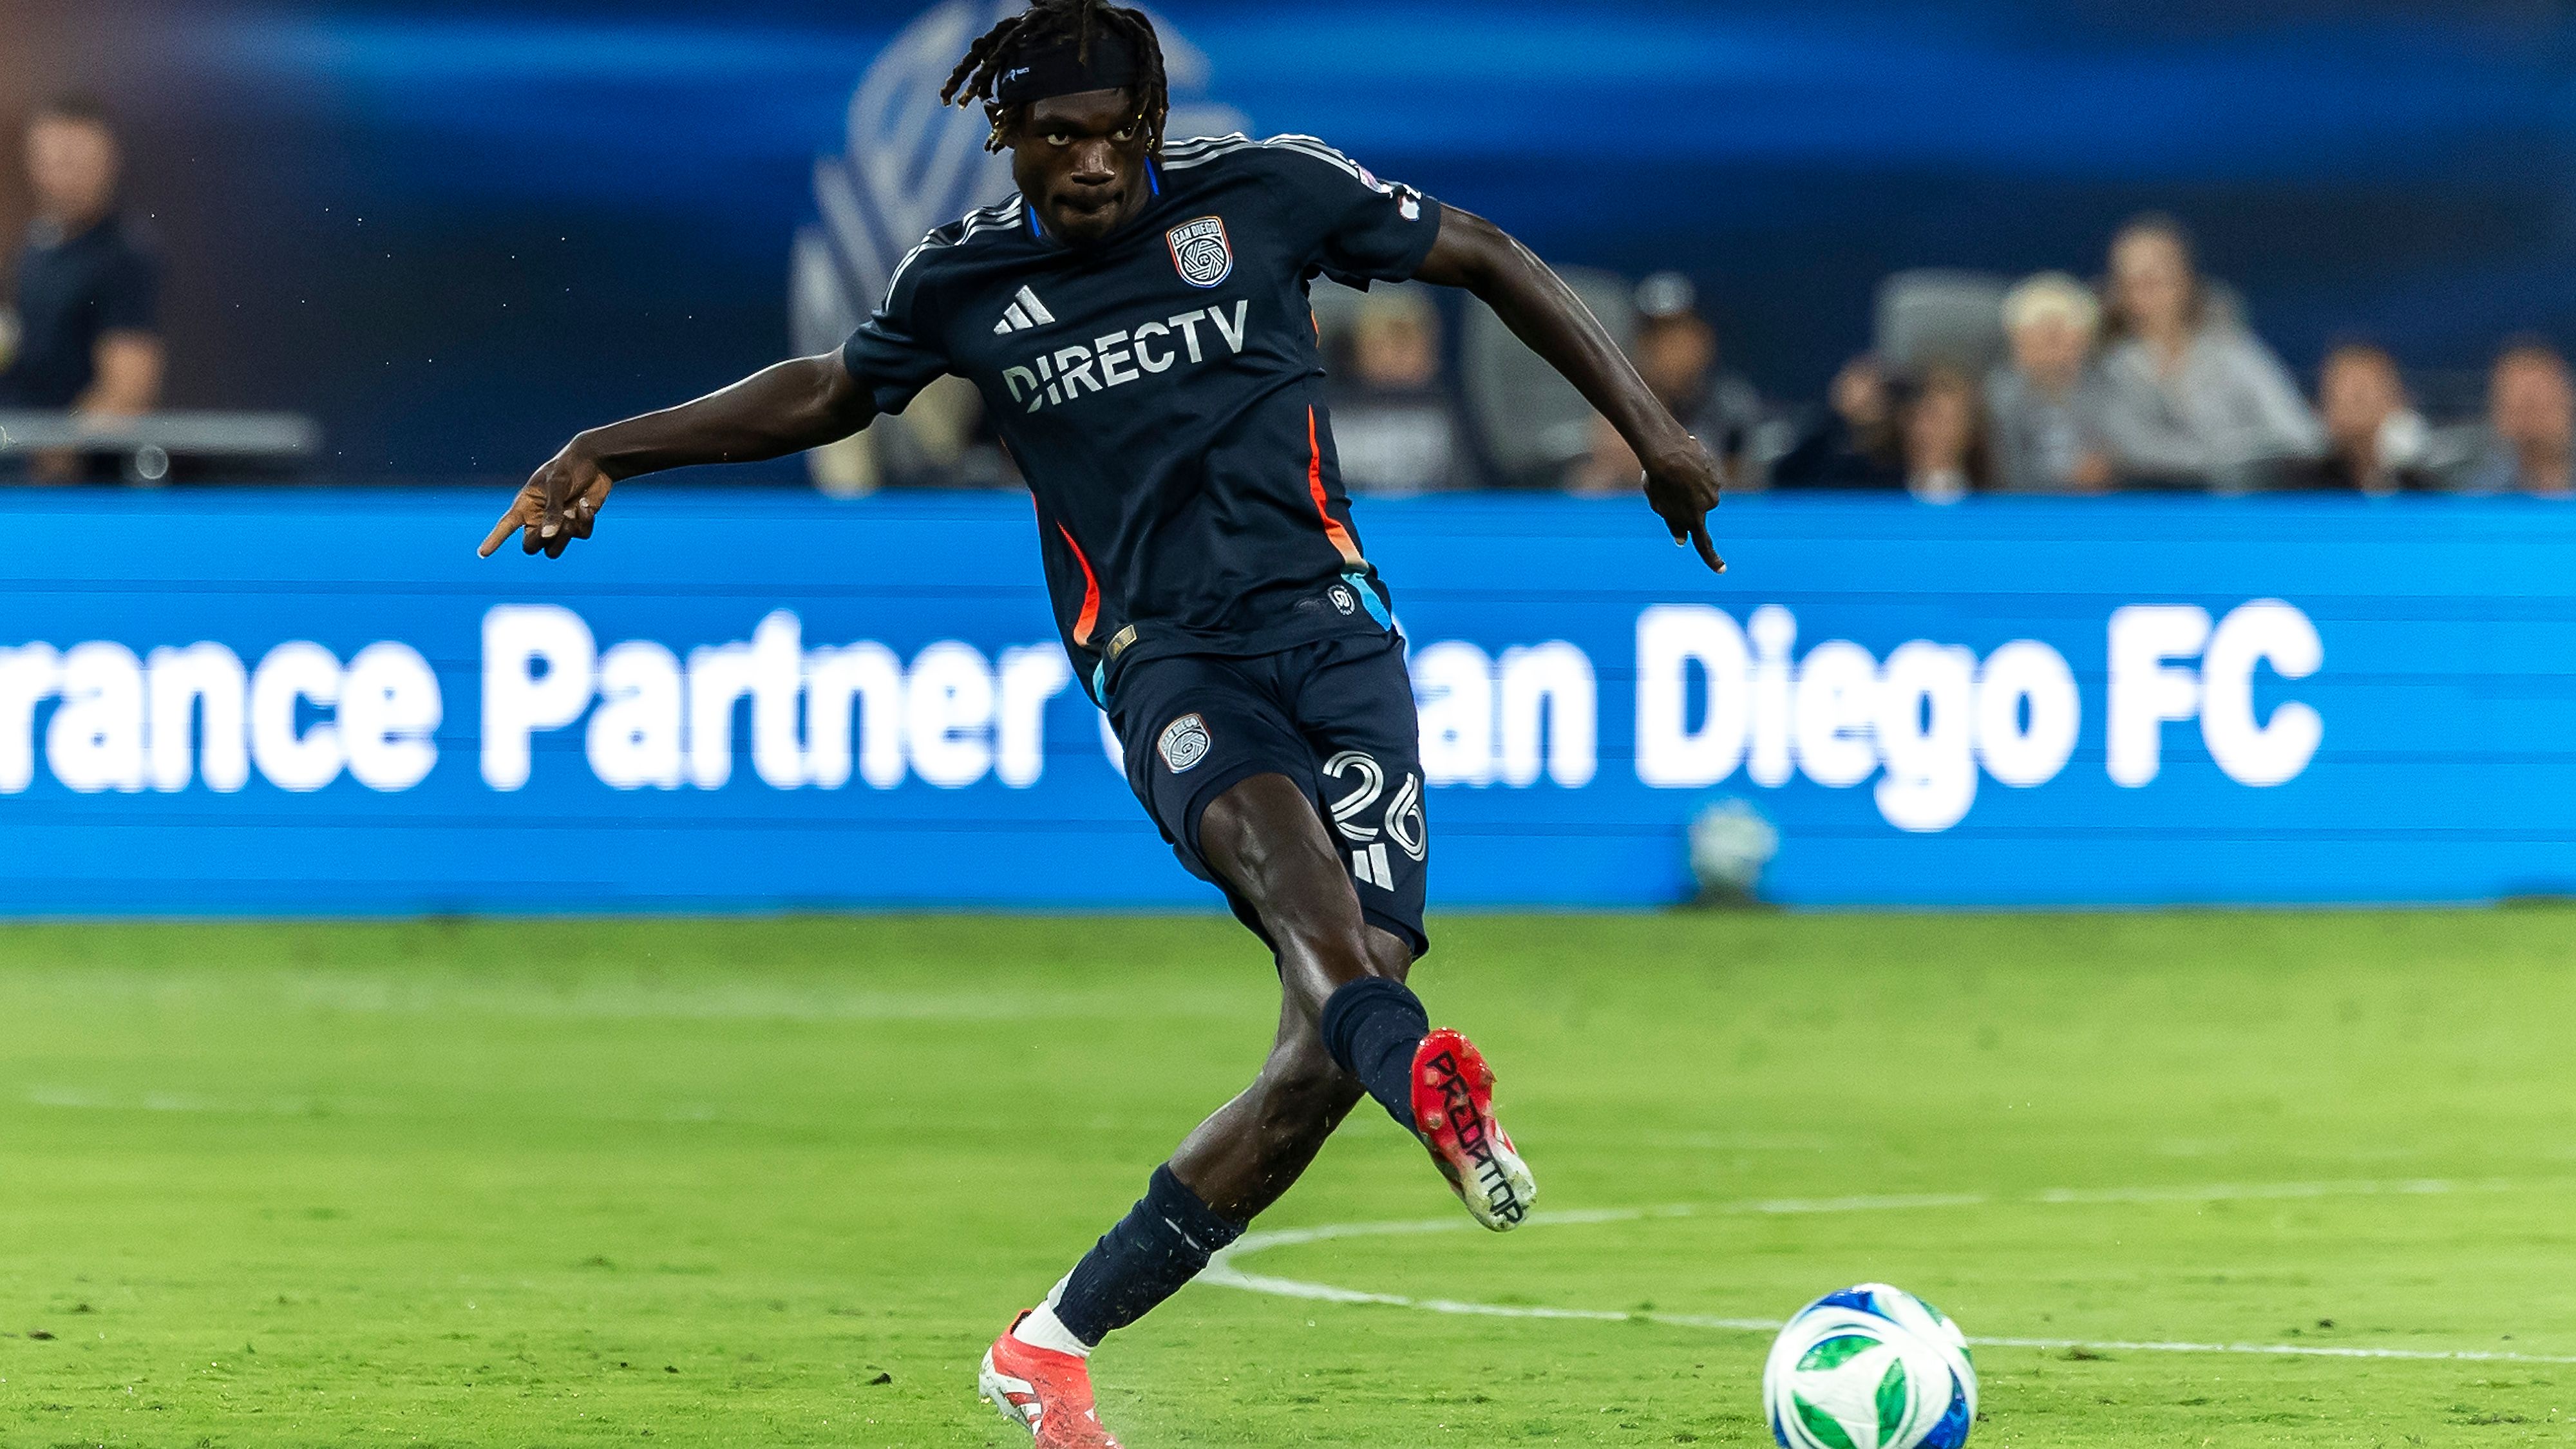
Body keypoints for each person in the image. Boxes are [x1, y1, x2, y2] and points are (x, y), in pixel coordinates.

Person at [472, 5, 1724, 1444]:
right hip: (1169, 668)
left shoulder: (1265, 192)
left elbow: (1484, 255)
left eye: (1107, 134)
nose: (1082, 166)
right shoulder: (964, 282)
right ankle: (1442, 1097)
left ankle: (1049, 1342)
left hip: (1337, 640)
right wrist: (601, 449)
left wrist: (1658, 437)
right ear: (1004, 141)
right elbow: (828, 391)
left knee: (1323, 1049)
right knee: (1317, 931)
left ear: (1146, 125)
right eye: (1049, 139)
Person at [2092, 214, 2322, 490]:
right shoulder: (2110, 370)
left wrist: (2239, 455)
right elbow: (2132, 450)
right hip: (2155, 510)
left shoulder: (2236, 352)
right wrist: (2219, 459)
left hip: (2247, 507)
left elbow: (2301, 434)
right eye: (2132, 284)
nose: (2145, 296)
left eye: (2156, 280)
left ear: (2186, 281)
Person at [0, 95, 164, 480]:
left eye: (78, 159)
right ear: (34, 162)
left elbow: (128, 388)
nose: (66, 173)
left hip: (76, 489)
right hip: (17, 468)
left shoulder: (124, 256)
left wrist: (60, 450)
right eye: (55, 158)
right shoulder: (32, 249)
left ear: (107, 162)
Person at [1323, 285, 1468, 495]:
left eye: (1407, 344)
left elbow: (1468, 495)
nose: (1396, 357)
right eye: (1383, 344)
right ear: (1357, 352)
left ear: (1432, 355)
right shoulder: (1328, 413)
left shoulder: (1449, 414)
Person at [1631, 270, 1766, 487]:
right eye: (1656, 337)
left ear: (1703, 339)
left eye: (1678, 335)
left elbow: (1749, 487)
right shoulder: (1622, 403)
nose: (1667, 350)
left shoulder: (1733, 403)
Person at [1983, 272, 2114, 494]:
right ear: (2017, 340)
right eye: (2040, 330)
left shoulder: (2107, 387)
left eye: (2063, 331)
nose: (2052, 342)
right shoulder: (1998, 395)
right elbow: (2003, 468)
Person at [2280, 342, 2436, 495]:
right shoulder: (2300, 489)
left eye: (2361, 393)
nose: (2351, 404)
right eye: (2340, 393)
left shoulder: (2418, 488)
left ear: (2395, 401)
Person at [2457, 339, 2575, 497]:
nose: (2533, 421)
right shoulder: (2466, 482)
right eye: (2521, 408)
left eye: (2543, 406)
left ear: (2568, 401)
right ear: (2497, 412)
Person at [1770, 353, 1904, 489]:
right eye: (1846, 373)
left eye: (1860, 378)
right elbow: (1782, 476)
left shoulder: (1896, 454)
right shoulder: (1820, 438)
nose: (1844, 381)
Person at [1902, 366, 1985, 504]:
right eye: (1925, 417)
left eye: (1944, 421)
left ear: (1969, 433)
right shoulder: (1874, 494)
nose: (1929, 431)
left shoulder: (1996, 500)